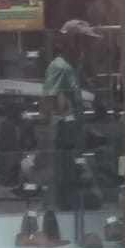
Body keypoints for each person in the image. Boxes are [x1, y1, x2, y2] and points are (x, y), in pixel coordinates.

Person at [43, 19, 99, 212]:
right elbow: (50, 106)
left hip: (74, 140)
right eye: (85, 42)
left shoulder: (73, 67)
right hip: (65, 143)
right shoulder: (59, 67)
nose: (88, 47)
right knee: (68, 194)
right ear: (73, 42)